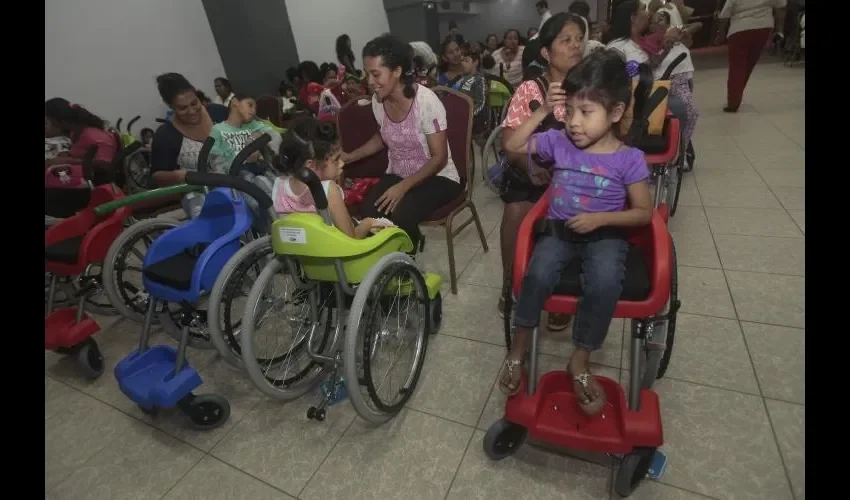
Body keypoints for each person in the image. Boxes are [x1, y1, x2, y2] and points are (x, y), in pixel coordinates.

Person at [499, 49, 654, 414]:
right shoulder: (561, 142)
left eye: (586, 113)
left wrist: (600, 220)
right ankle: (518, 350)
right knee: (534, 274)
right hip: (560, 230)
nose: (574, 122)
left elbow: (644, 213)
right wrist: (542, 111)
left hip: (606, 235)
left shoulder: (628, 158)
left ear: (615, 113)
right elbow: (512, 145)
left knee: (603, 284)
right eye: (569, 111)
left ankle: (580, 359)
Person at [498, 13, 588, 331]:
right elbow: (511, 145)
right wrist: (535, 168)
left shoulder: (592, 87)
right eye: (566, 40)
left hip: (578, 181)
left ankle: (564, 290)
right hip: (536, 174)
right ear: (547, 53)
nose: (576, 45)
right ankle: (512, 281)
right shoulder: (530, 90)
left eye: (579, 38)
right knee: (514, 211)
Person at [340, 34, 463, 251]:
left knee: (402, 213)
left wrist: (403, 187)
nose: (369, 82)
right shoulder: (379, 101)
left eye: (376, 74)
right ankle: (396, 255)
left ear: (397, 71)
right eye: (367, 74)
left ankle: (407, 267)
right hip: (398, 172)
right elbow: (382, 136)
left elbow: (439, 158)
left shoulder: (426, 103)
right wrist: (350, 156)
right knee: (369, 209)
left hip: (439, 176)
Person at [274, 118, 387, 239]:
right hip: (332, 254)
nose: (342, 163)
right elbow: (351, 239)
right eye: (336, 160)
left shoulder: (279, 185)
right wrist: (368, 223)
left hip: (300, 254)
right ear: (310, 165)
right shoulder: (328, 190)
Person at [605, 0, 690, 138]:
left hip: (649, 92)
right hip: (634, 100)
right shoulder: (617, 47)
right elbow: (613, 80)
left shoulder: (641, 42)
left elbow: (651, 65)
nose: (649, 14)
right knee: (678, 106)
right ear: (633, 18)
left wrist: (666, 50)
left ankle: (682, 149)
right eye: (643, 9)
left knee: (683, 102)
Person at [149, 73, 229, 218]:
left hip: (238, 181)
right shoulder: (166, 135)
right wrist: (182, 176)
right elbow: (157, 175)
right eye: (182, 108)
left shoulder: (219, 113)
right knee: (204, 217)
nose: (192, 111)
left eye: (194, 103)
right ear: (170, 106)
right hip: (198, 193)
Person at [45, 98, 119, 217]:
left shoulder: (92, 135)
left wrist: (67, 160)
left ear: (58, 121)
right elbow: (79, 153)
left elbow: (105, 165)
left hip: (97, 185)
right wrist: (66, 156)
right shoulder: (77, 132)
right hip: (87, 181)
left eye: (47, 122)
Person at [716, 0, 787, 112]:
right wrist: (780, 29)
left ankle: (733, 102)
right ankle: (736, 97)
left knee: (737, 67)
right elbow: (781, 8)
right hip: (763, 28)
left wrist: (720, 34)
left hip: (739, 30)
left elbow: (724, 16)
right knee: (749, 65)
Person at [649, 9, 699, 157]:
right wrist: (665, 45)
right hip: (662, 82)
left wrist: (684, 31)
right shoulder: (650, 41)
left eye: (661, 19)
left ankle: (682, 150)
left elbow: (699, 25)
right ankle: (676, 149)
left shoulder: (677, 35)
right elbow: (653, 64)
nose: (657, 22)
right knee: (674, 116)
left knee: (691, 114)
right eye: (655, 19)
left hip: (683, 81)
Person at [456, 46, 488, 134]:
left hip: (474, 117)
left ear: (475, 62)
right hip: (459, 113)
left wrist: (470, 115)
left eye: (466, 61)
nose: (463, 64)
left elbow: (481, 103)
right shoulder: (459, 78)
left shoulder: (479, 79)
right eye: (462, 61)